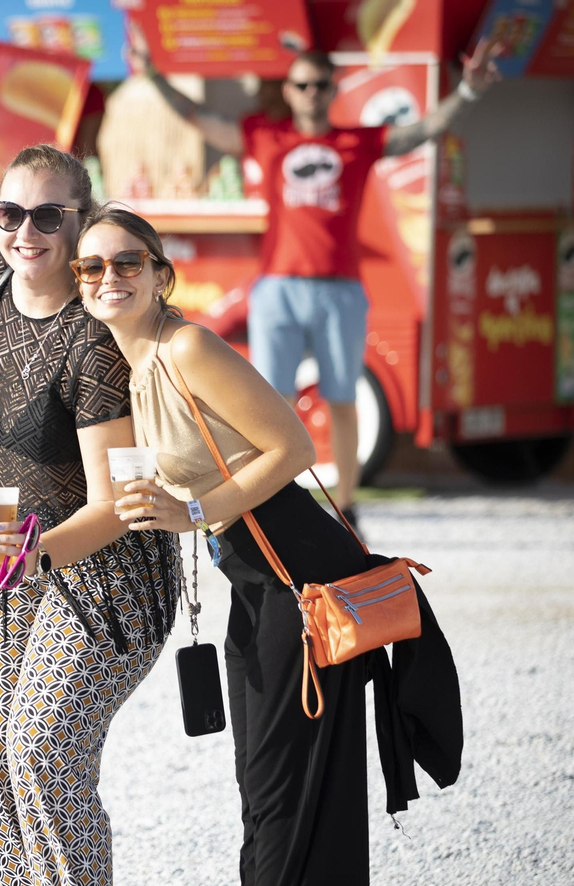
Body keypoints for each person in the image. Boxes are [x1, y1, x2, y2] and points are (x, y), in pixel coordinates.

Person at [74, 206, 372, 886]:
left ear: (161, 273)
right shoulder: (131, 366)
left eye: (126, 263)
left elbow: (291, 442)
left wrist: (193, 509)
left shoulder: (187, 347)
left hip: (299, 572)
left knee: (282, 787)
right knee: (269, 784)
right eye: (91, 269)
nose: (108, 279)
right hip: (260, 580)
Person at [0, 146, 179, 886]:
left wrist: (34, 555)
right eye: (9, 214)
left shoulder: (93, 342)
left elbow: (115, 505)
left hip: (97, 571)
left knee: (40, 749)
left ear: (81, 222)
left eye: (49, 217)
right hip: (0, 561)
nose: (25, 234)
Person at [130, 29, 503, 526]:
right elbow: (202, 119)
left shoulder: (356, 140)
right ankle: (273, 501)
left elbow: (424, 131)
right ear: (289, 89)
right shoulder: (268, 135)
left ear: (333, 89)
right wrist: (153, 74)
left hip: (340, 289)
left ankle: (347, 505)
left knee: (342, 398)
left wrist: (470, 90)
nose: (311, 93)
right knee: (269, 402)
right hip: (278, 287)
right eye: (302, 85)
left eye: (321, 85)